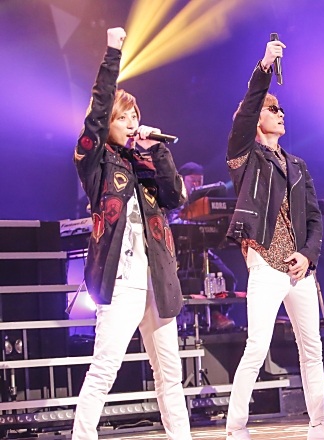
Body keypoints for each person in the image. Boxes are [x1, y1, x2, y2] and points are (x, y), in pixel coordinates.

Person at [223, 40, 324, 440]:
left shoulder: (297, 165)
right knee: (257, 346)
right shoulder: (245, 157)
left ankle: (320, 423)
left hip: (298, 268)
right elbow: (247, 109)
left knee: (312, 349)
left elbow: (314, 218)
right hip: (265, 262)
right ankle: (235, 427)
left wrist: (308, 256)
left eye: (281, 110)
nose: (281, 114)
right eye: (273, 109)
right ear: (256, 119)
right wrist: (265, 66)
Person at [72, 28, 191, 439]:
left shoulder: (145, 166)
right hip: (121, 282)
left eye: (133, 117)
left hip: (157, 281)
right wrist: (113, 54)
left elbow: (176, 196)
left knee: (170, 373)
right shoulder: (96, 163)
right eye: (122, 117)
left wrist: (157, 149)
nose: (130, 123)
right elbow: (96, 115)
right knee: (104, 369)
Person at [168, 161, 238, 293]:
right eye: (192, 181)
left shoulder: (204, 202)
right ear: (182, 181)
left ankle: (219, 307)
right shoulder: (173, 200)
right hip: (179, 253)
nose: (196, 185)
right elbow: (172, 224)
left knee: (228, 279)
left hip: (202, 250)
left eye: (199, 181)